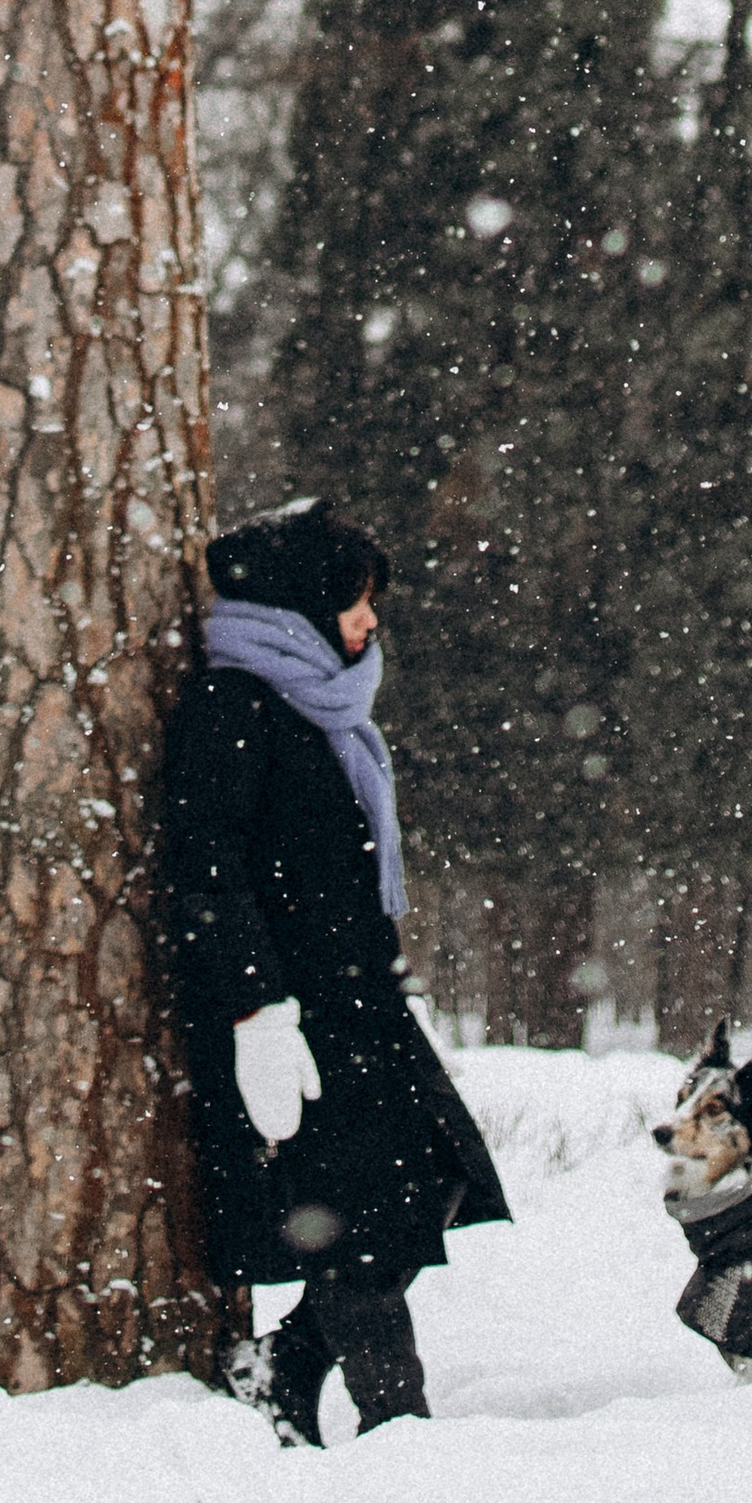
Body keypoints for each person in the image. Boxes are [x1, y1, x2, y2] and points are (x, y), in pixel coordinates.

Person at [163, 499, 509, 1444]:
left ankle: (287, 1364)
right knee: (358, 1224)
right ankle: (402, 1433)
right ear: (301, 603)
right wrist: (254, 1011)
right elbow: (206, 868)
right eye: (356, 602)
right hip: (290, 1013)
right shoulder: (232, 706)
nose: (369, 623)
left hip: (355, 1004)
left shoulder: (316, 710)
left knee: (427, 1182)